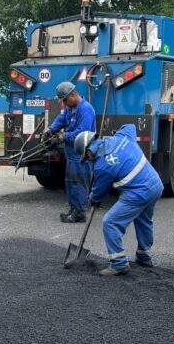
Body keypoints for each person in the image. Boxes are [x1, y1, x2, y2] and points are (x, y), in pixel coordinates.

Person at [79, 124, 164, 276]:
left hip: (139, 192)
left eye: (86, 158)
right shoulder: (122, 137)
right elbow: (130, 126)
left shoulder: (102, 166)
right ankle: (144, 256)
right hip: (155, 185)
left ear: (89, 152)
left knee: (110, 222)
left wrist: (92, 200)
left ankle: (119, 263)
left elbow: (98, 191)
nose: (88, 161)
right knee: (143, 220)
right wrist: (116, 132)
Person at [44, 81, 96, 223]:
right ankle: (74, 209)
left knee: (78, 182)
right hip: (72, 155)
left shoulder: (85, 109)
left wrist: (63, 136)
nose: (64, 103)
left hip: (81, 154)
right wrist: (51, 130)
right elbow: (62, 119)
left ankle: (80, 213)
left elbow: (82, 132)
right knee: (71, 182)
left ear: (72, 95)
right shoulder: (70, 108)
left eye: (65, 100)